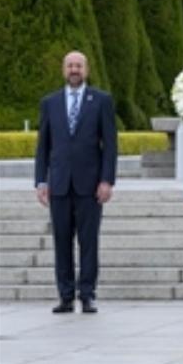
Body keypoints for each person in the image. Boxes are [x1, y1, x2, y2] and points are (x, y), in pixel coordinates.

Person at [34, 50, 117, 314]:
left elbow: (110, 145)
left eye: (78, 65)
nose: (74, 70)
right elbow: (43, 146)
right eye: (70, 65)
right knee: (61, 241)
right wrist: (40, 181)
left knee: (88, 241)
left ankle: (88, 294)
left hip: (90, 185)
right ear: (63, 70)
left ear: (86, 69)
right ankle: (66, 295)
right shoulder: (50, 103)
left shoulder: (101, 100)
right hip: (59, 184)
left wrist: (106, 180)